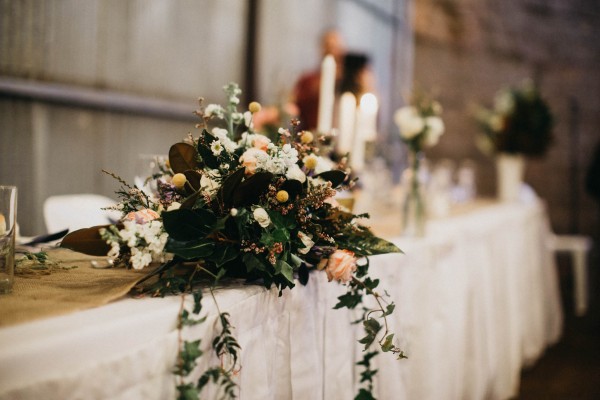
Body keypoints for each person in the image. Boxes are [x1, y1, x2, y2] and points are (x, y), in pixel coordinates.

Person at [292, 29, 345, 131]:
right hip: (313, 135)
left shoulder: (351, 83)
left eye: (337, 47)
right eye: (329, 47)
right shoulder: (308, 80)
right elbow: (296, 108)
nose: (333, 51)